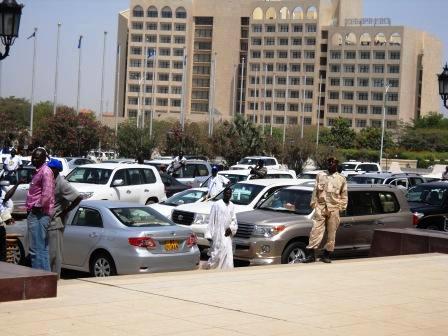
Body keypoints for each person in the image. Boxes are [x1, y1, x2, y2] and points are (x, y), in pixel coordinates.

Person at [303, 157, 348, 264]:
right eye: (329, 163)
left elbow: (344, 194)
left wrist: (342, 207)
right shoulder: (321, 175)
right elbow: (315, 191)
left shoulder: (341, 178)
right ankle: (311, 255)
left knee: (332, 233)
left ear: (336, 165)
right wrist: (314, 204)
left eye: (332, 163)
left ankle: (327, 254)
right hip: (321, 207)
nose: (330, 165)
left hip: (334, 208)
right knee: (315, 231)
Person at [47, 159, 82, 276]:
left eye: (52, 168)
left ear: (57, 170)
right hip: (47, 221)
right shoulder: (49, 180)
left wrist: (65, 211)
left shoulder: (62, 183)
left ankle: (55, 278)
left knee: (55, 253)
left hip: (56, 222)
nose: (49, 170)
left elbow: (78, 197)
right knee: (48, 253)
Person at [26, 148, 55, 271]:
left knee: (36, 248)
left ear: (44, 159)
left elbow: (47, 193)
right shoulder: (39, 171)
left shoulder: (46, 172)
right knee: (41, 248)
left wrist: (37, 207)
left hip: (39, 214)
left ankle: (39, 278)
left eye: (37, 157)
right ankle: (44, 278)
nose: (34, 159)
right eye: (33, 157)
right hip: (37, 213)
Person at [205, 187, 238, 269]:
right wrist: (209, 234)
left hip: (227, 234)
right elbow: (211, 220)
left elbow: (234, 220)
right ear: (223, 194)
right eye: (226, 193)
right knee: (217, 254)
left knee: (228, 254)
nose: (228, 195)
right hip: (218, 234)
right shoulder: (217, 205)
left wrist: (231, 228)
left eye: (229, 193)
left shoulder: (232, 205)